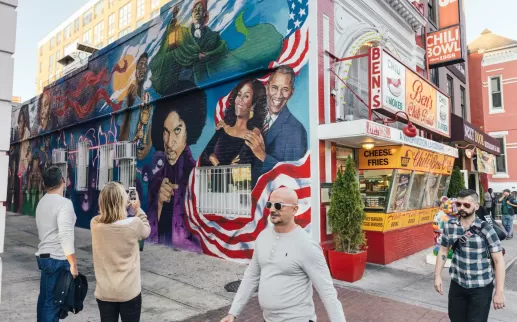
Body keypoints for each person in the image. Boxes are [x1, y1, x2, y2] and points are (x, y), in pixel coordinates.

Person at [221, 187, 346, 322]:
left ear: (294, 209)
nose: (273, 209)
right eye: (270, 204)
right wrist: (233, 312)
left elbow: (327, 292)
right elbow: (251, 276)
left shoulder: (307, 245)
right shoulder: (263, 237)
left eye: (279, 205)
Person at [147, 81, 206, 250]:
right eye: (166, 131)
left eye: (177, 130)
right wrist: (158, 202)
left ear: (189, 130)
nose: (169, 141)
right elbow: (148, 231)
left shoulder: (196, 177)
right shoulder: (156, 180)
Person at [434, 189, 505, 322]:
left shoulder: (486, 229)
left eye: (466, 205)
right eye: (459, 204)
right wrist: (437, 276)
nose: (461, 208)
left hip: (481, 287)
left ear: (476, 206)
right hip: (457, 284)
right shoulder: (450, 226)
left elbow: (498, 260)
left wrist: (499, 292)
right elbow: (443, 251)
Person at [91, 182, 151, 322]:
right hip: (129, 292)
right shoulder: (134, 224)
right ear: (122, 202)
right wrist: (137, 209)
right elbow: (146, 230)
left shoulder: (95, 224)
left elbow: (104, 218)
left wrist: (110, 203)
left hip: (105, 292)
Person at [242, 66, 308, 185]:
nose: (278, 95)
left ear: (291, 93)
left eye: (285, 89)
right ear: (267, 88)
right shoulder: (254, 117)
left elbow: (294, 176)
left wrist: (262, 156)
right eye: (274, 87)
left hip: (270, 200)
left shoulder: (297, 130)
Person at [35, 166, 78, 322]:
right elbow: (65, 236)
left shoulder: (42, 202)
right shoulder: (64, 203)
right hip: (58, 259)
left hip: (45, 257)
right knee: (53, 305)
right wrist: (73, 263)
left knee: (45, 300)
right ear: (62, 181)